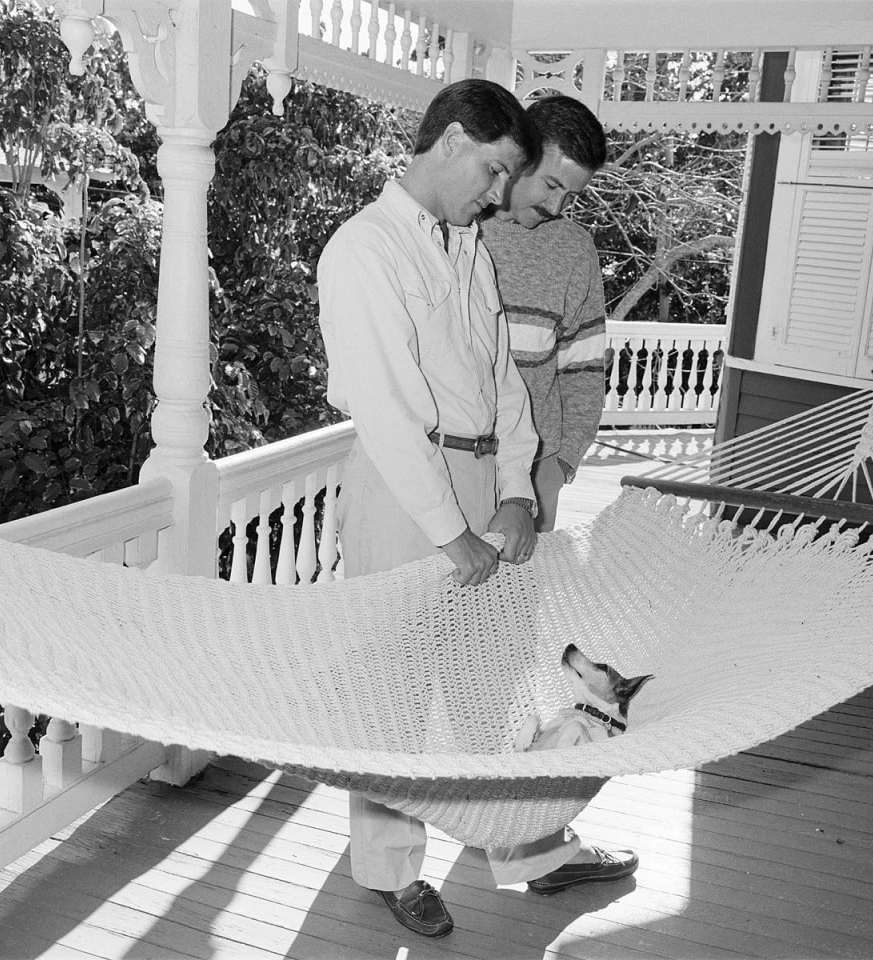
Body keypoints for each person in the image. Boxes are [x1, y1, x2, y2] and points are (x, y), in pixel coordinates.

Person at [316, 79, 638, 940]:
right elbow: (386, 412)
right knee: (393, 691)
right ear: (454, 140)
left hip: (488, 480)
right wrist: (451, 533)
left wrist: (517, 490)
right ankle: (391, 870)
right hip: (404, 491)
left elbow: (505, 385)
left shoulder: (463, 247)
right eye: (495, 171)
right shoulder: (365, 249)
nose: (499, 194)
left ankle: (523, 847)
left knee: (491, 675)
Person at [482, 95, 610, 533]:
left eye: (570, 196)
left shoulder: (574, 249)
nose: (556, 208)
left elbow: (584, 368)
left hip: (536, 472)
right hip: (451, 463)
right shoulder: (456, 228)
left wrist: (561, 464)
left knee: (523, 584)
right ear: (520, 155)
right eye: (552, 185)